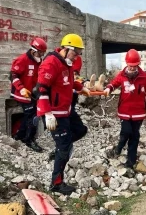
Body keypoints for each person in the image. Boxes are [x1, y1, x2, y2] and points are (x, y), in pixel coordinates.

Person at [35, 33, 91, 195]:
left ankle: (60, 147)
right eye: (76, 53)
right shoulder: (51, 63)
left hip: (66, 111)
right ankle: (56, 183)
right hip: (55, 114)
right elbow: (41, 89)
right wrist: (47, 113)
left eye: (79, 53)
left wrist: (81, 88)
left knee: (81, 130)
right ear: (66, 49)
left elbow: (69, 81)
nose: (77, 57)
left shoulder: (66, 63)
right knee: (65, 149)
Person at [103, 49, 146, 169]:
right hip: (125, 112)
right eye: (130, 65)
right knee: (126, 132)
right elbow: (114, 83)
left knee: (135, 136)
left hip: (138, 113)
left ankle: (130, 162)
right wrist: (108, 89)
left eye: (135, 66)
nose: (132, 68)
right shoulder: (122, 75)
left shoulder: (144, 77)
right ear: (126, 63)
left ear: (138, 64)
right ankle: (119, 147)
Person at [10, 38, 47, 152]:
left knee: (29, 116)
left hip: (33, 93)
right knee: (32, 117)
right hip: (22, 94)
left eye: (43, 53)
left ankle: (19, 136)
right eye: (40, 52)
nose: (41, 55)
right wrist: (21, 89)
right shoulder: (22, 60)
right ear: (33, 50)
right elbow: (13, 75)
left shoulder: (39, 61)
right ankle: (29, 139)